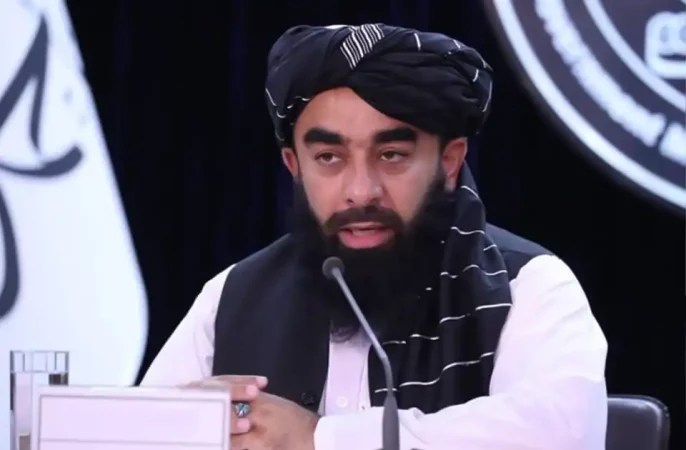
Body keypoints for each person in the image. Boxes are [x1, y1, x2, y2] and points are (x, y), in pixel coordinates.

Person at [141, 24, 608, 450]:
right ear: (294, 167)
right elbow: (129, 434)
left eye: (392, 155)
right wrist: (190, 427)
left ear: (449, 162)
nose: (361, 192)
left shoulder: (527, 285)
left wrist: (319, 439)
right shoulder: (234, 295)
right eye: (329, 158)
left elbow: (560, 434)